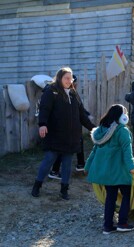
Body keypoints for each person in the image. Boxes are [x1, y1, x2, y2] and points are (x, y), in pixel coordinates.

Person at [31, 67, 95, 200]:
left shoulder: (73, 94)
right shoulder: (51, 91)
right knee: (49, 160)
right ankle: (37, 186)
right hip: (55, 135)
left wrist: (93, 128)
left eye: (70, 78)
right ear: (60, 78)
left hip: (71, 136)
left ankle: (64, 190)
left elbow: (82, 115)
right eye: (66, 77)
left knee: (67, 163)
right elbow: (44, 109)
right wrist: (42, 124)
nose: (69, 80)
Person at [84, 104, 134, 234]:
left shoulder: (101, 131)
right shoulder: (122, 131)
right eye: (125, 113)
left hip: (107, 172)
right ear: (121, 116)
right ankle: (122, 223)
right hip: (121, 171)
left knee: (110, 197)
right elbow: (127, 151)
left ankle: (107, 226)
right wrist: (132, 167)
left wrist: (87, 165)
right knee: (127, 194)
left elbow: (94, 150)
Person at [48, 75, 94, 180]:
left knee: (78, 142)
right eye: (74, 83)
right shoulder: (61, 94)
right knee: (62, 149)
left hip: (71, 128)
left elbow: (79, 109)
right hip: (63, 129)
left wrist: (87, 115)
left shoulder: (73, 94)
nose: (76, 85)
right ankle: (55, 171)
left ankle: (80, 164)